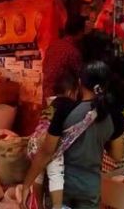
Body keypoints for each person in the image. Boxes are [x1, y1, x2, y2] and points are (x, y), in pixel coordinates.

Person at [21, 61, 124, 209]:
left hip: (61, 188)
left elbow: (46, 152)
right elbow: (117, 155)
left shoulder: (64, 109)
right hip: (90, 188)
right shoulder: (114, 116)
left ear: (80, 83)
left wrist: (27, 183)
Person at [26, 74, 79, 209]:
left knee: (39, 173)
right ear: (70, 92)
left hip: (33, 141)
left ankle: (36, 203)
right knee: (56, 174)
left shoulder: (52, 104)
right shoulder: (68, 104)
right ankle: (57, 206)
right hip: (47, 143)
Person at [42, 16, 86, 100]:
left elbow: (45, 66)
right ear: (80, 32)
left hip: (46, 96)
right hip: (60, 99)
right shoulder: (73, 52)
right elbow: (81, 77)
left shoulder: (53, 46)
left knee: (48, 113)